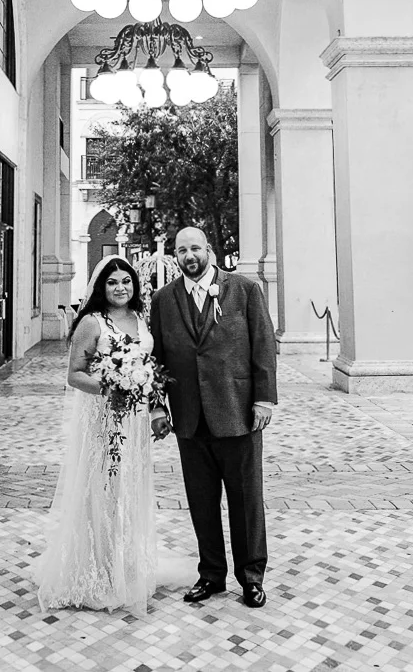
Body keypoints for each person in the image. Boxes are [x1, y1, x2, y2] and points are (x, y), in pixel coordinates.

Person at [150, 226, 277, 609]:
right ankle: (211, 574)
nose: (189, 256)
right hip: (189, 419)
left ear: (208, 249)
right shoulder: (163, 299)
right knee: (201, 502)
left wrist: (264, 400)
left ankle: (251, 577)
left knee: (245, 500)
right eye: (181, 250)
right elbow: (156, 359)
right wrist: (157, 406)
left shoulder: (245, 290)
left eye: (195, 248)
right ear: (175, 256)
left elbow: (263, 346)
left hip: (238, 413)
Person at [35, 256, 157, 614]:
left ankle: (125, 564)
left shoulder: (140, 317)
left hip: (134, 421)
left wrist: (147, 391)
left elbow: (148, 365)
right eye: (112, 281)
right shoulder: (92, 322)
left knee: (129, 489)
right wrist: (110, 387)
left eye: (126, 280)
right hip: (103, 420)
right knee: (102, 490)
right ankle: (96, 570)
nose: (120, 287)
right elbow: (74, 374)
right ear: (101, 287)